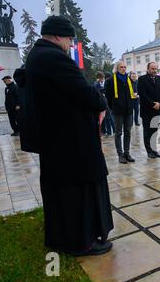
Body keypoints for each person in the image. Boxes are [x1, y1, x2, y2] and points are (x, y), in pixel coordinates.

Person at [25, 15, 113, 256]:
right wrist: (102, 103)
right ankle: (80, 241)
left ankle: (63, 238)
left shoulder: (36, 55)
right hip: (70, 140)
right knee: (76, 191)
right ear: (56, 36)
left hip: (56, 138)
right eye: (68, 39)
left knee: (60, 192)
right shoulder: (54, 57)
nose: (71, 44)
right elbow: (85, 92)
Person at [105, 61, 136, 164]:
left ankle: (127, 153)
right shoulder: (110, 81)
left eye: (124, 67)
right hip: (117, 111)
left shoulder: (128, 80)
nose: (123, 69)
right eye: (121, 67)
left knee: (128, 132)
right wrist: (112, 108)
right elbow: (108, 97)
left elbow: (132, 94)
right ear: (117, 68)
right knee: (118, 133)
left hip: (128, 111)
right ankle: (120, 154)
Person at [137, 62, 160, 159]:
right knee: (147, 131)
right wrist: (153, 104)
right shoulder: (142, 79)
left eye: (155, 69)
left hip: (158, 110)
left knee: (155, 131)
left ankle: (154, 149)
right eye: (152, 69)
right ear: (148, 69)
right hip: (147, 111)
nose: (154, 70)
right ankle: (149, 151)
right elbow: (142, 94)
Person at [95, 72, 114, 137]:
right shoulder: (97, 84)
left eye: (101, 78)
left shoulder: (107, 82)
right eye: (99, 78)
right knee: (102, 118)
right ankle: (104, 131)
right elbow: (96, 91)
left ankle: (110, 132)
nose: (100, 80)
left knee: (109, 117)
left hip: (107, 101)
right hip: (100, 102)